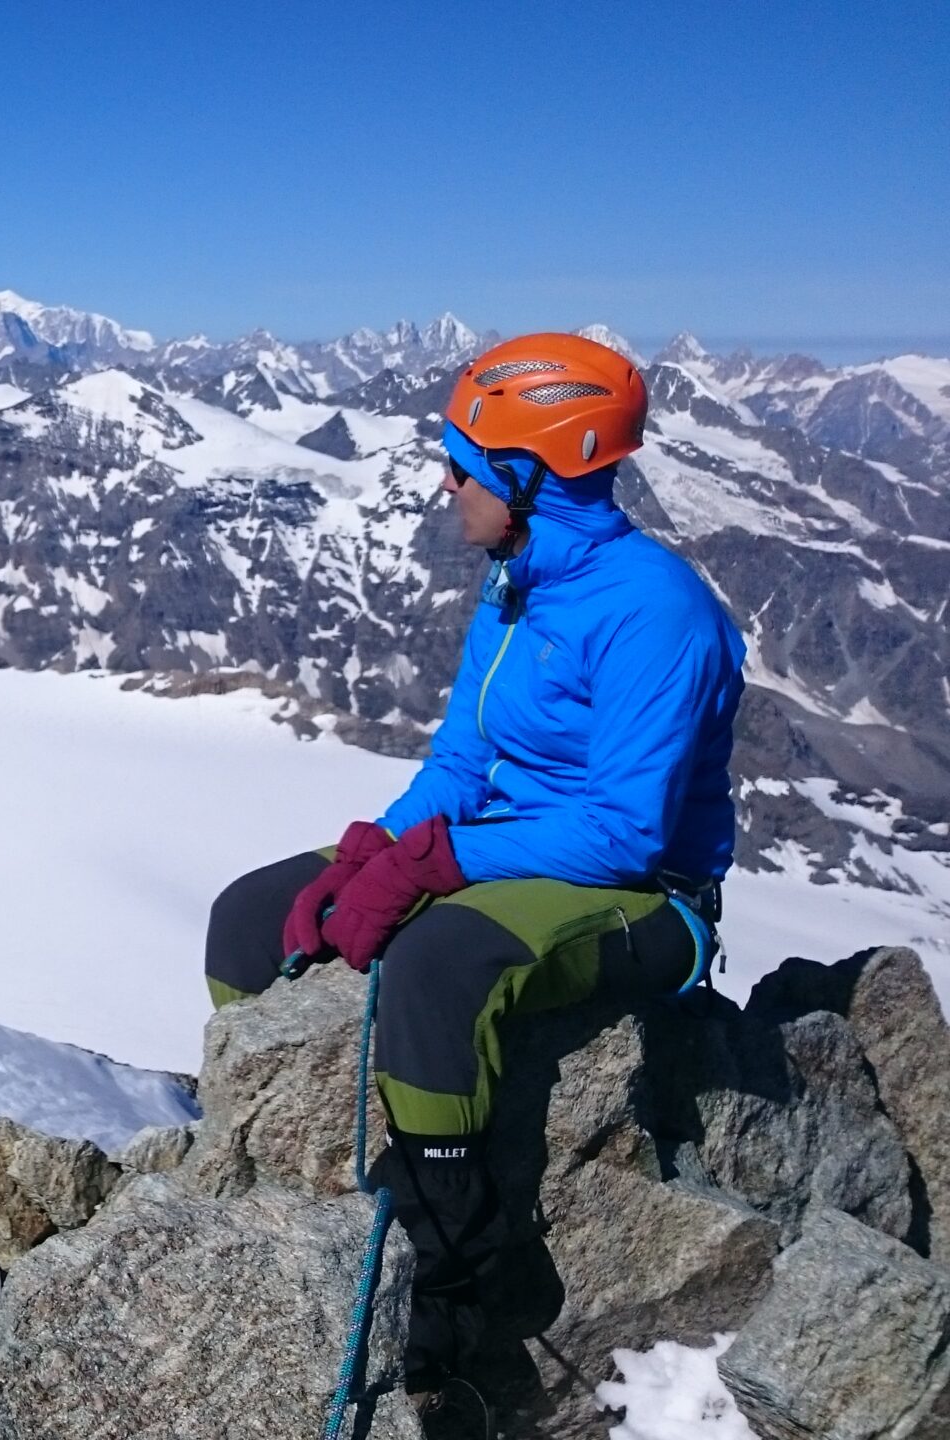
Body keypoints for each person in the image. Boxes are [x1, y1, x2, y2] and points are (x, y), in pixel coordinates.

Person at [201, 333, 745, 1399]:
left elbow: (626, 833)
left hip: (642, 897)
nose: (446, 485)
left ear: (530, 474)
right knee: (250, 917)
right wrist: (382, 847)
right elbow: (461, 761)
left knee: (440, 965)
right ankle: (265, 1145)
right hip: (507, 843)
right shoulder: (517, 582)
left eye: (463, 465)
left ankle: (457, 1277)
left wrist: (435, 864)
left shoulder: (654, 612)